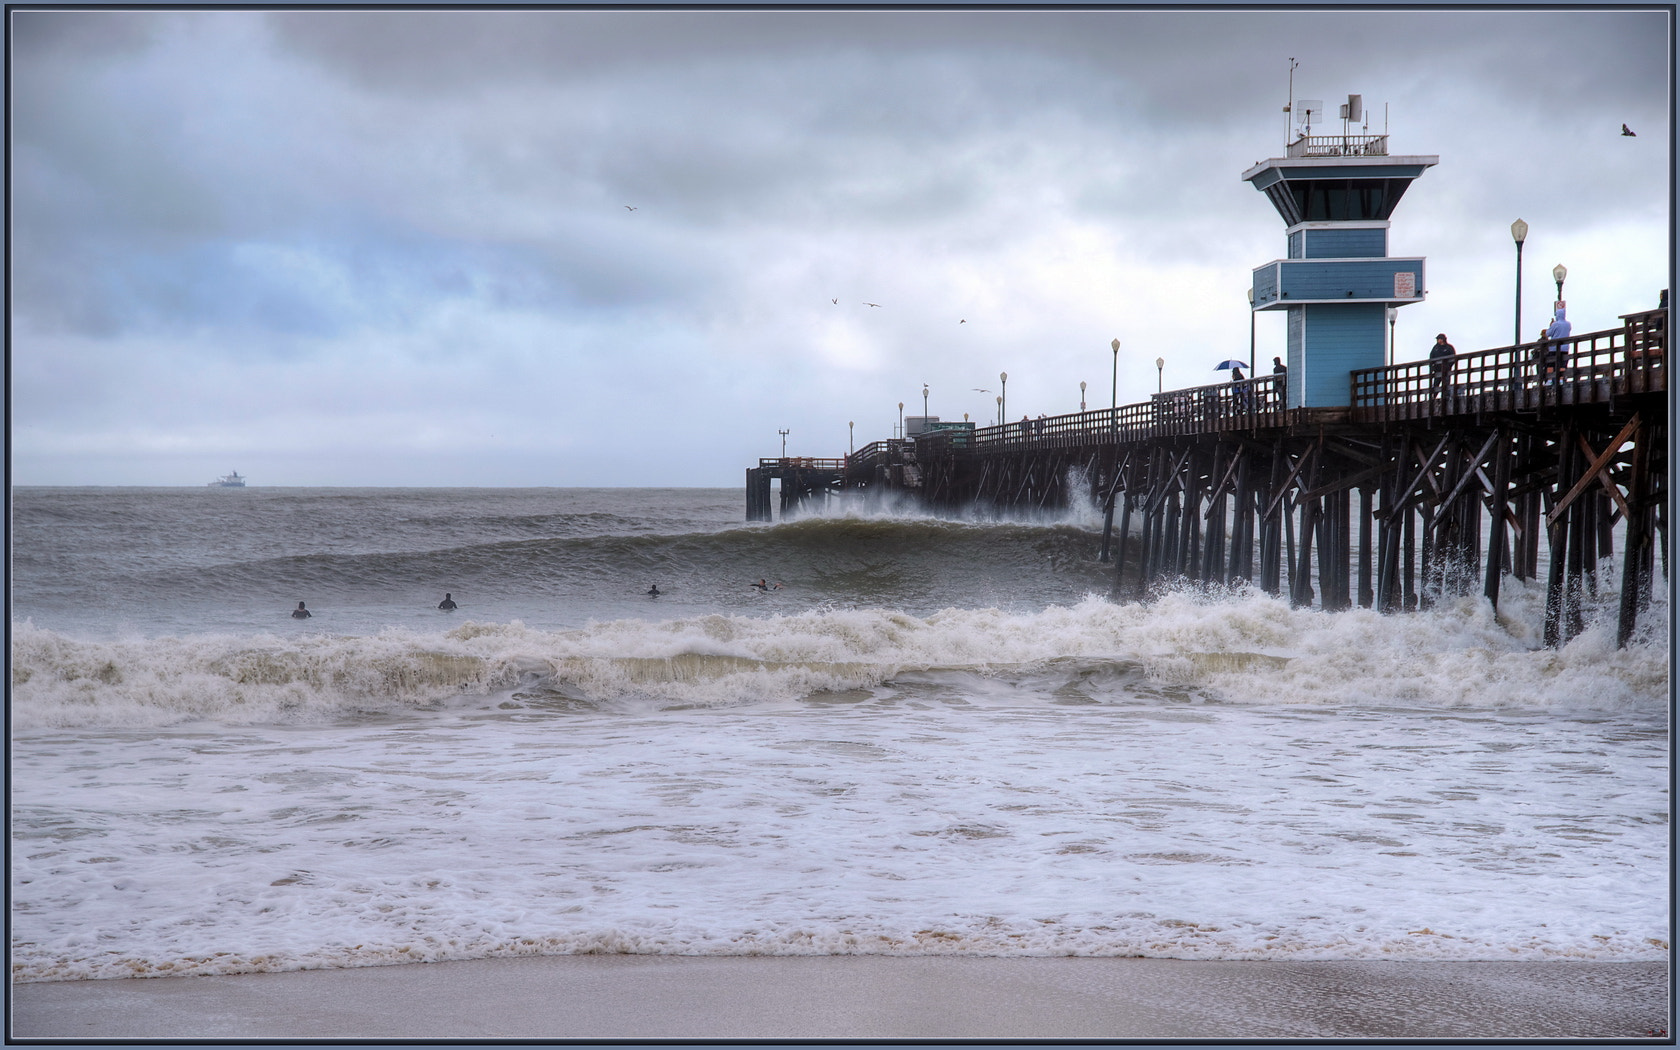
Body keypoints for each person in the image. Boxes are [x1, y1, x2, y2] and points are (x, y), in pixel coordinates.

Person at [1429, 333, 1456, 398]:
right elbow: (1431, 358)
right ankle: (1433, 398)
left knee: (1446, 384)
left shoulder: (1449, 347)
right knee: (1436, 384)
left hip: (1446, 370)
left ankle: (1445, 398)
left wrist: (1448, 366)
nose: (1438, 340)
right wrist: (1432, 367)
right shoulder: (1435, 348)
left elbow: (1453, 358)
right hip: (1437, 370)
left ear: (1443, 339)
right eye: (1438, 339)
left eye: (1439, 339)